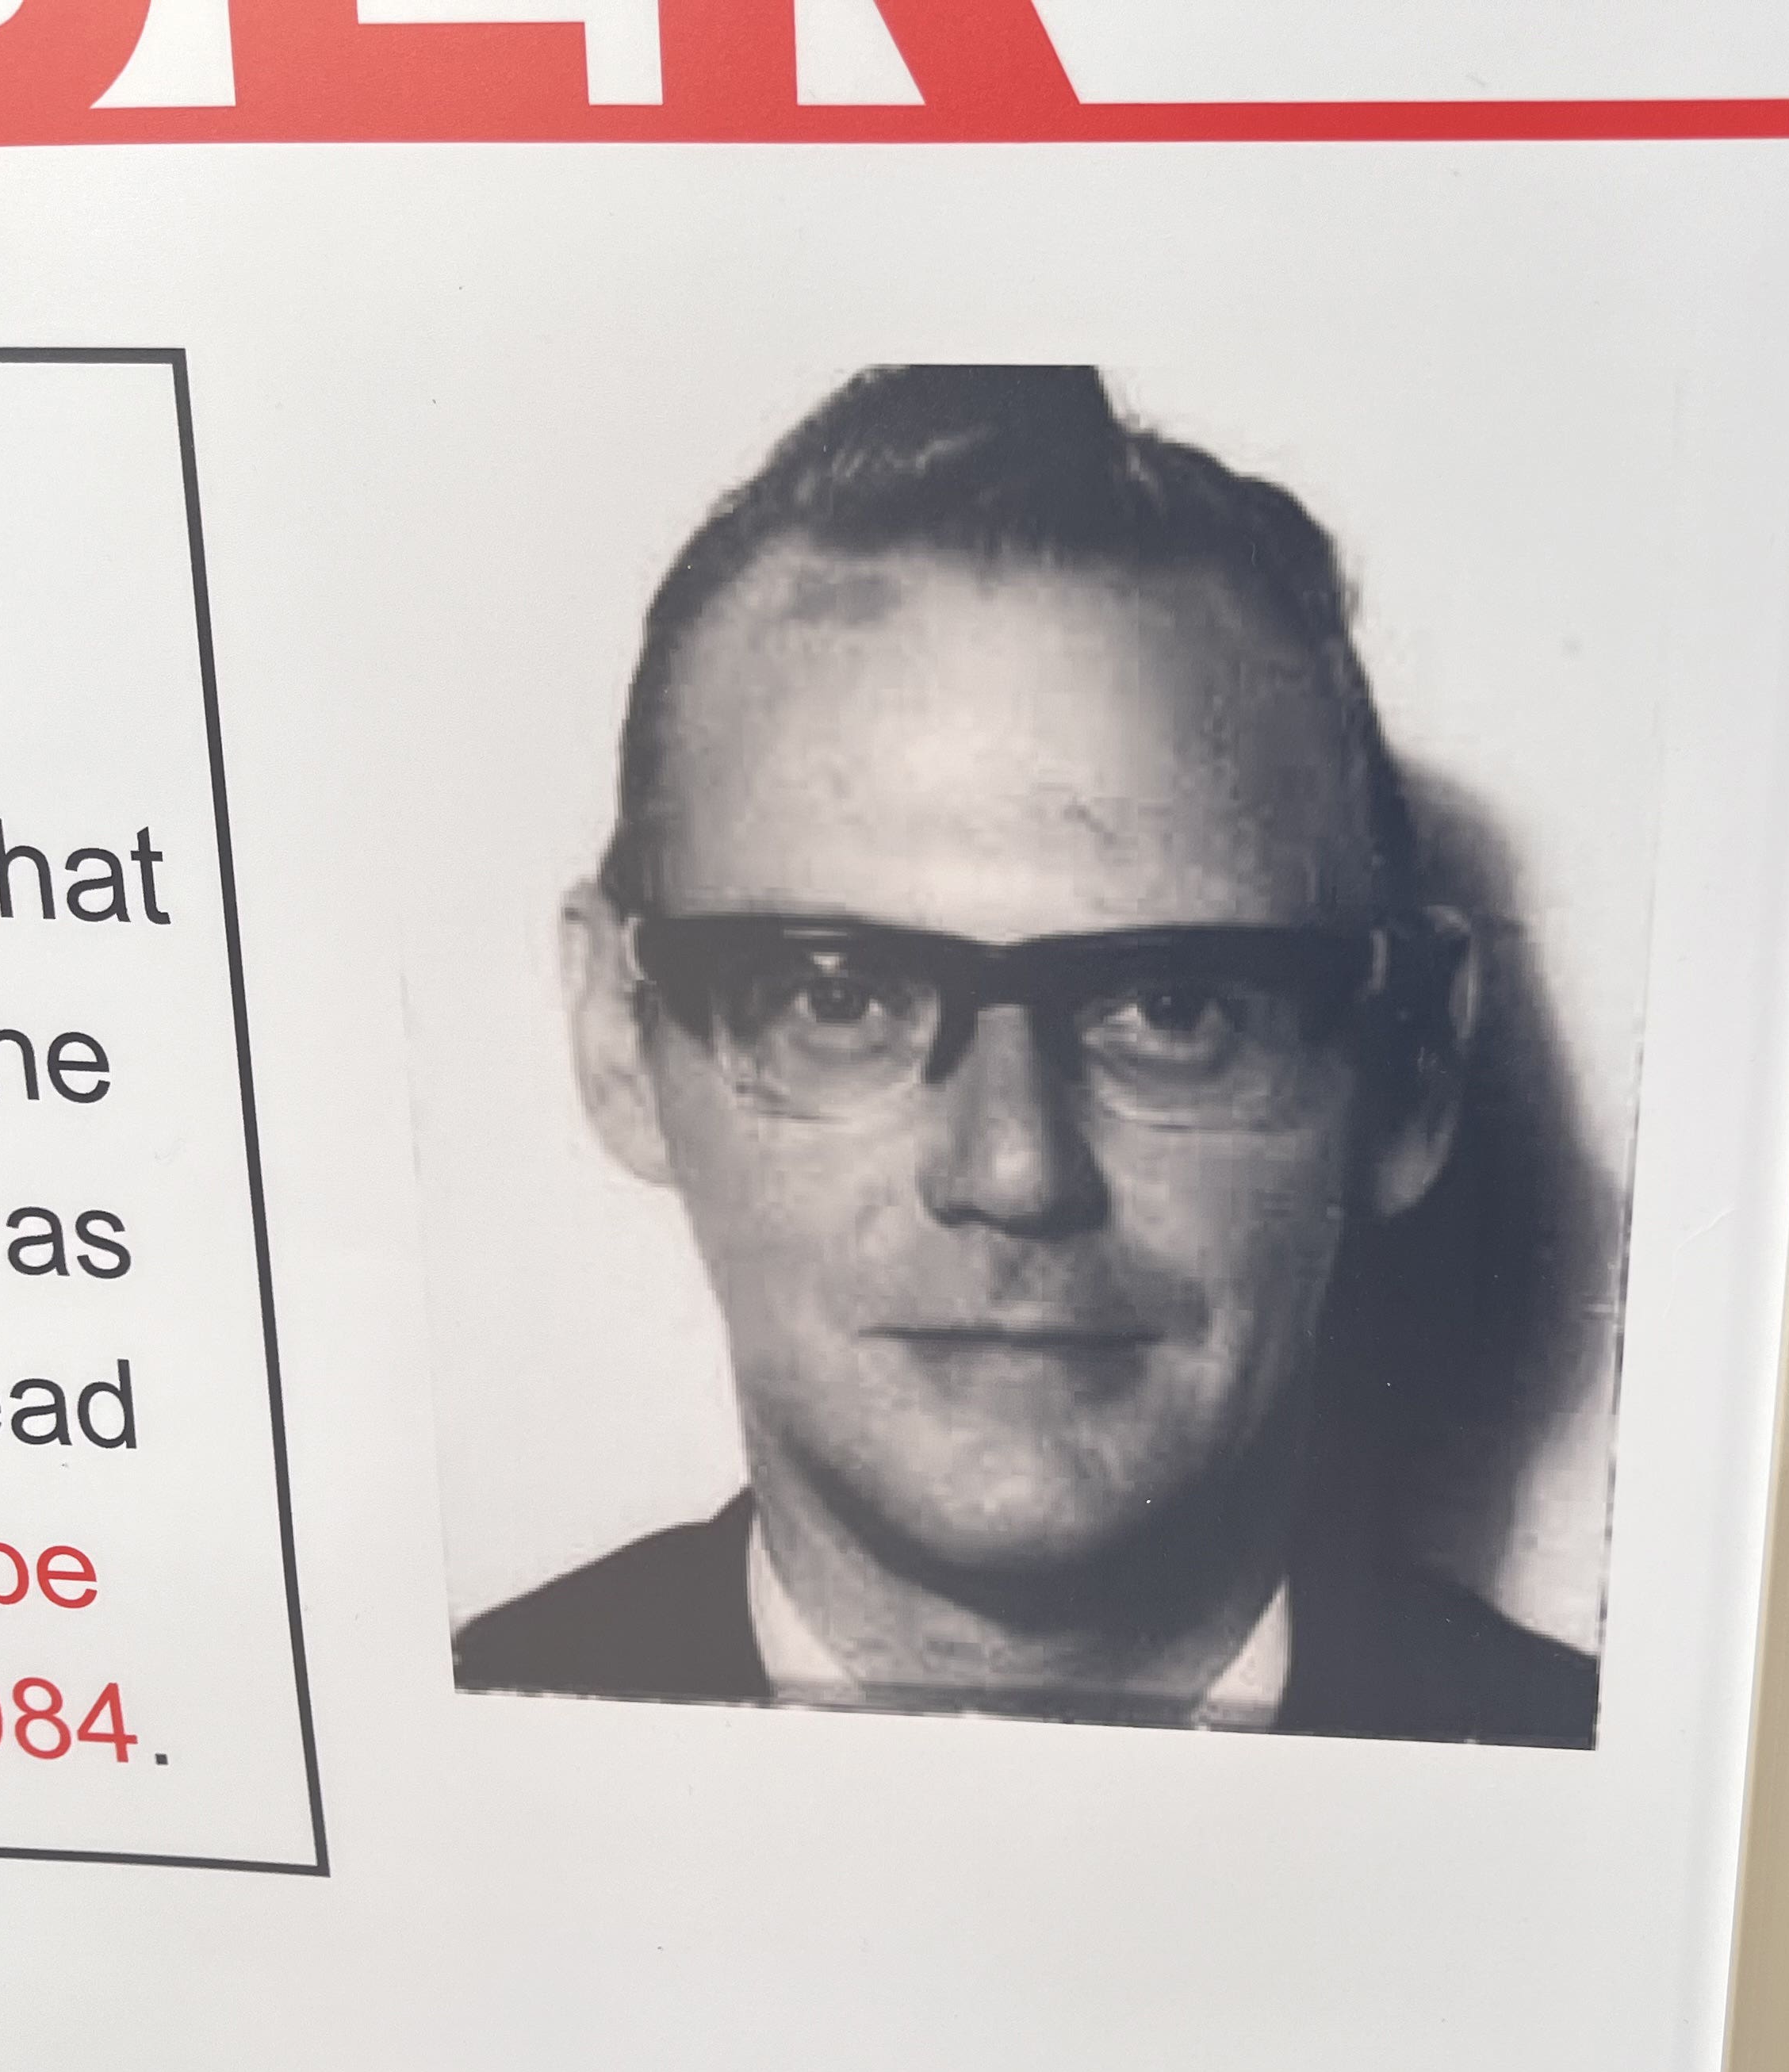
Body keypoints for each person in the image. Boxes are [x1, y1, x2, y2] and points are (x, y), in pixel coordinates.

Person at [452, 365, 1596, 1747]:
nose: (1013, 1168)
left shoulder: (1650, 1819)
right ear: (618, 1043)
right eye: (836, 994)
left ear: (1409, 1069)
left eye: (1176, 1008)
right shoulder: (420, 1769)